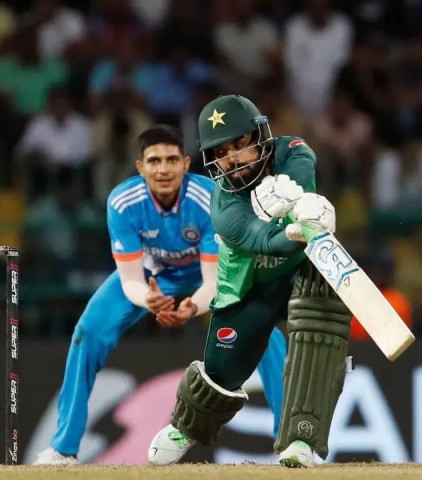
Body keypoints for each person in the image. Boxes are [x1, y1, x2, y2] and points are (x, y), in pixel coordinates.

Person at [33, 125, 286, 465]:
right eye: (154, 161)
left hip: (212, 272)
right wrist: (148, 300)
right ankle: (64, 449)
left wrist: (190, 308)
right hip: (152, 276)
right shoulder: (123, 202)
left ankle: (290, 440)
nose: (163, 169)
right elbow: (130, 280)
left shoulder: (211, 197)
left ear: (185, 164)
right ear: (140, 167)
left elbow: (213, 281)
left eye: (171, 160)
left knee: (264, 331)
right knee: (87, 332)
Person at [148, 95, 347, 468]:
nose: (233, 159)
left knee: (320, 321)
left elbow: (302, 165)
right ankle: (187, 426)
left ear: (260, 136)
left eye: (240, 144)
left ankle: (301, 440)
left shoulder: (291, 149)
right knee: (221, 374)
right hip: (248, 285)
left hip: (303, 272)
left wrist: (306, 207)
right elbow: (267, 241)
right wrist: (295, 229)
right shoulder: (224, 207)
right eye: (221, 152)